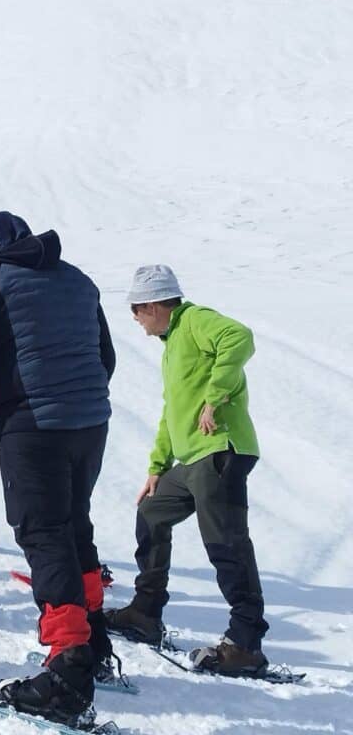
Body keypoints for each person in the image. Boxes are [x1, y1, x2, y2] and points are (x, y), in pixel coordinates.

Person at [0, 211, 116, 727]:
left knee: (43, 533)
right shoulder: (78, 279)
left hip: (35, 425)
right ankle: (94, 642)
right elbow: (104, 356)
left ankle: (67, 673)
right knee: (73, 525)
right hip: (90, 423)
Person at [105, 265, 269, 677]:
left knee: (226, 544)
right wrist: (158, 466)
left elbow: (239, 337)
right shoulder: (172, 343)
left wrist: (215, 398)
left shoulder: (194, 320)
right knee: (151, 512)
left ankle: (245, 645)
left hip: (220, 450)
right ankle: (145, 612)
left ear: (157, 303)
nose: (136, 319)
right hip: (191, 459)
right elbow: (171, 412)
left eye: (138, 310)